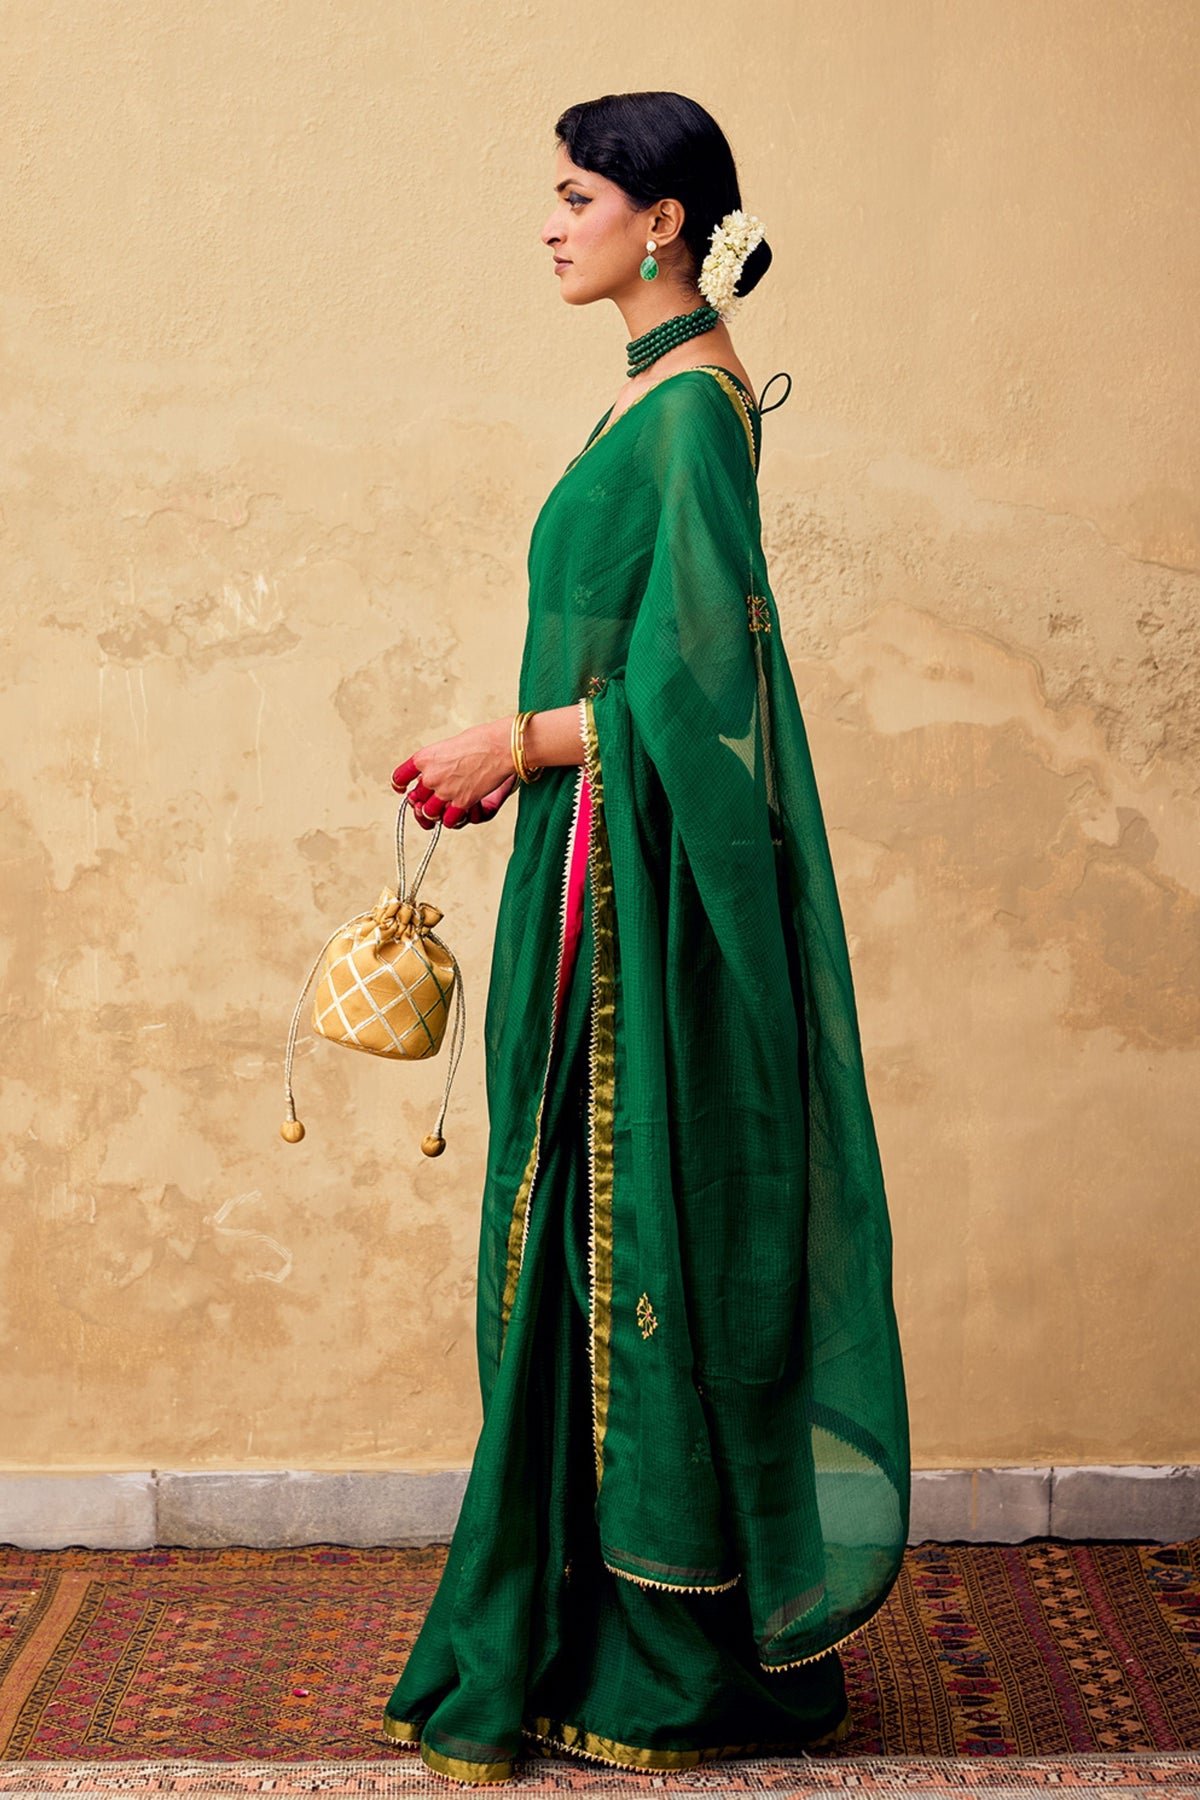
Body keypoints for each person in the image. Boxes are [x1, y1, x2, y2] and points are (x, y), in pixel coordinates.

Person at [380, 90, 909, 1787]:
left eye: (576, 197)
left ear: (662, 222)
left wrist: (512, 744)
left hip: (629, 908)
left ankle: (653, 1644)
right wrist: (507, 763)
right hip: (587, 867)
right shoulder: (658, 398)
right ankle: (582, 1621)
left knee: (615, 1243)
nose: (549, 226)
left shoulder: (688, 415)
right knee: (571, 1245)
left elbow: (701, 703)